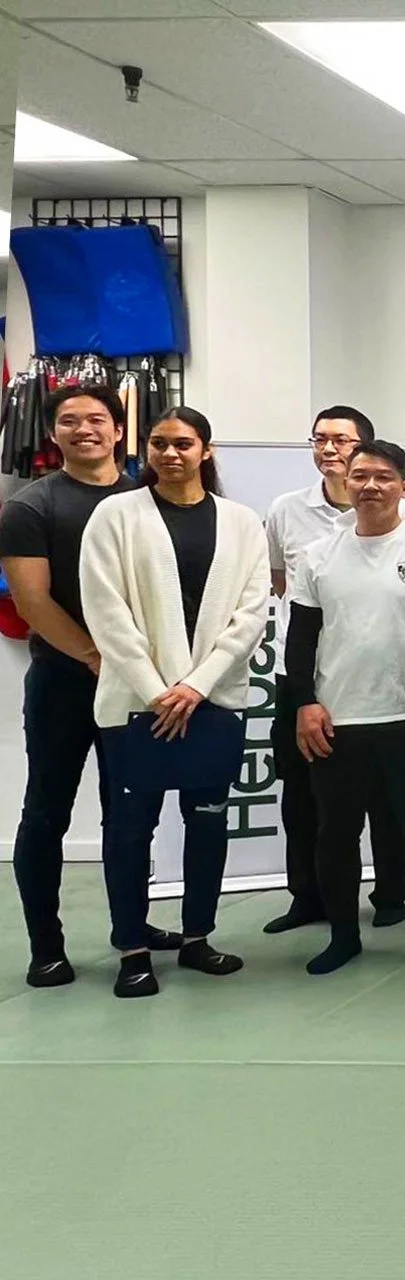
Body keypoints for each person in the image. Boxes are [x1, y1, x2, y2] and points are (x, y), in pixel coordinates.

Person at [79, 408, 269, 998]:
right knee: (130, 829)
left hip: (211, 702)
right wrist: (159, 686)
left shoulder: (240, 523)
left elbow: (251, 612)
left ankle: (197, 938)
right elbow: (105, 611)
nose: (169, 453)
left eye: (182, 443)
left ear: (205, 450)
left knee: (207, 824)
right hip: (137, 705)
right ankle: (133, 949)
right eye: (158, 443)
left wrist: (198, 684)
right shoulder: (116, 516)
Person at [0, 386, 183, 988]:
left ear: (118, 430)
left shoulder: (148, 498)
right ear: (52, 434)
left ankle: (131, 925)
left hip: (137, 685)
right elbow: (31, 599)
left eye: (97, 419)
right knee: (46, 812)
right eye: (70, 421)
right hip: (63, 681)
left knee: (131, 813)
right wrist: (93, 657)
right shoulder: (30, 507)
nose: (85, 429)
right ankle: (45, 947)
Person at [283, 441, 405, 975]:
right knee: (335, 836)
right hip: (337, 722)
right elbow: (301, 639)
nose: (370, 486)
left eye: (384, 477)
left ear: (404, 488)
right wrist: (305, 705)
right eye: (359, 476)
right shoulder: (319, 555)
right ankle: (343, 936)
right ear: (346, 484)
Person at [261, 406, 405, 936]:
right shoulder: (287, 510)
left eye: (343, 441)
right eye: (320, 440)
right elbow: (282, 584)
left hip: (390, 683)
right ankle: (309, 896)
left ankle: (392, 890)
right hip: (306, 674)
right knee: (305, 793)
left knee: (386, 796)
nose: (330, 449)